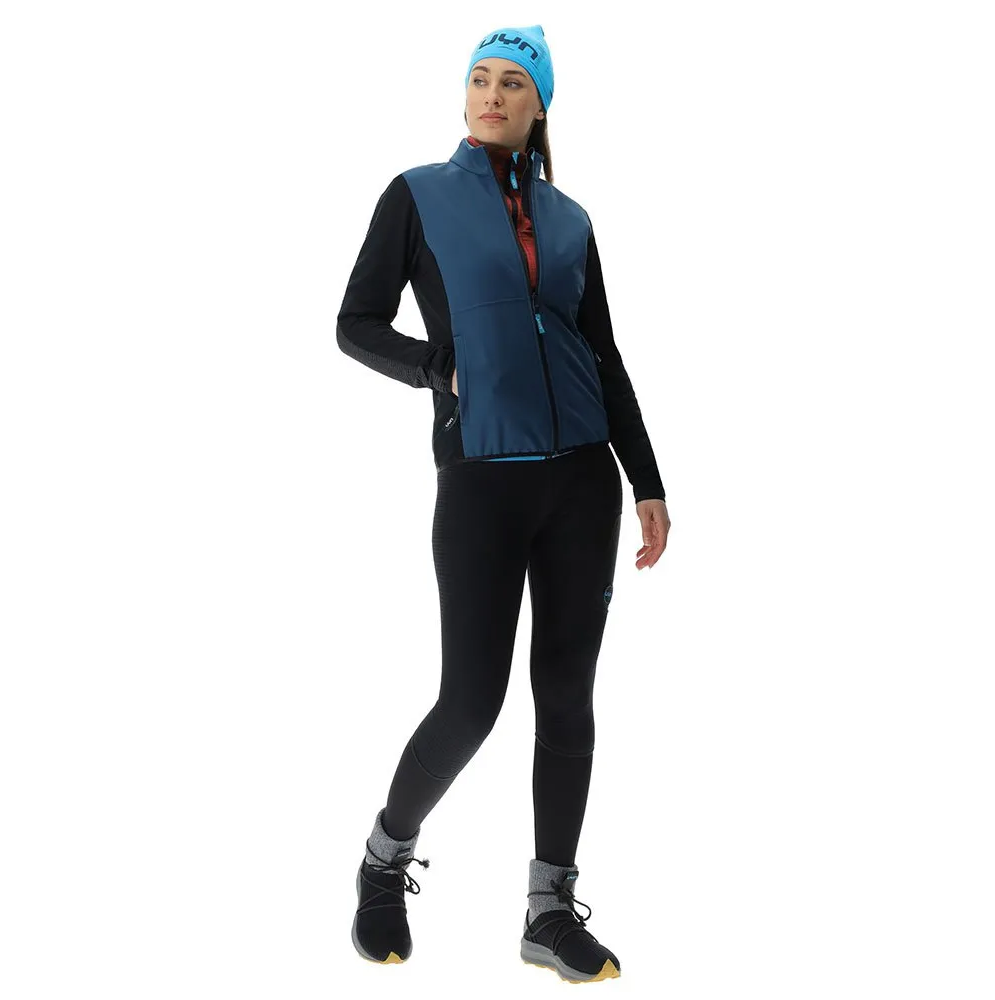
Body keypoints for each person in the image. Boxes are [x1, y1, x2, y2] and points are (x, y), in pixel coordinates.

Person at [336, 23, 670, 984]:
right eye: (479, 78)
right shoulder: (417, 196)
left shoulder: (571, 221)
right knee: (471, 701)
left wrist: (646, 477)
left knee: (566, 696)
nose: (491, 94)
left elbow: (603, 353)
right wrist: (433, 367)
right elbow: (355, 322)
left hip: (582, 483)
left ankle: (549, 910)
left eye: (513, 83)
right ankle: (384, 859)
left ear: (539, 106)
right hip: (481, 479)